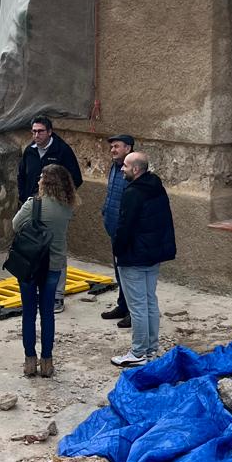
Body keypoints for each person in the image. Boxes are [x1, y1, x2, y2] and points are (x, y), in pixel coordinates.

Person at [9, 162, 76, 380]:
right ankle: (47, 361)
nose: (38, 180)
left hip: (31, 263)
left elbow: (15, 224)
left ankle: (30, 360)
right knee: (47, 313)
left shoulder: (34, 204)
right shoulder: (67, 207)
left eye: (41, 178)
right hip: (54, 264)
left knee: (29, 313)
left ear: (46, 183)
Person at [110, 152, 175, 368]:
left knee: (137, 306)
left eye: (125, 166)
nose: (122, 169)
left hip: (134, 257)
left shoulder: (133, 193)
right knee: (149, 302)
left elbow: (124, 226)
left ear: (136, 169)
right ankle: (151, 349)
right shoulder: (157, 187)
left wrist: (118, 250)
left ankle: (138, 352)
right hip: (153, 255)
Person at [17, 116, 83, 312]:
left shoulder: (62, 151)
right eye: (33, 131)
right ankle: (39, 288)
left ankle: (57, 295)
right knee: (35, 248)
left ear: (50, 132)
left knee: (56, 250)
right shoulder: (29, 151)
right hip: (33, 207)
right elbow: (22, 176)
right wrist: (24, 199)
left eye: (40, 131)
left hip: (55, 208)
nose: (36, 135)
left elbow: (75, 178)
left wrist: (61, 200)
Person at [100, 135, 134, 330]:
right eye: (111, 146)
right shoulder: (115, 167)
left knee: (128, 273)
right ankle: (123, 306)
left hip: (126, 231)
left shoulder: (132, 170)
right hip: (114, 228)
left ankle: (132, 312)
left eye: (116, 146)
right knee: (119, 271)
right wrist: (105, 211)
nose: (112, 150)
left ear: (127, 148)